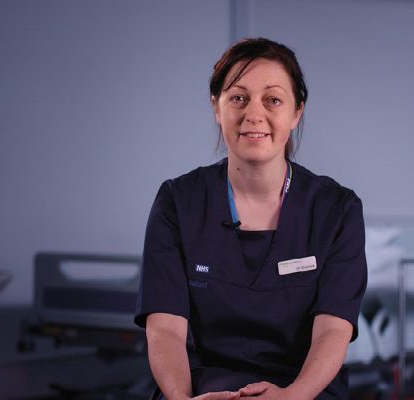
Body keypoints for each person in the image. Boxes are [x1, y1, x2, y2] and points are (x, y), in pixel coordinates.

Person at [135, 38, 367, 400]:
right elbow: (164, 329)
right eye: (238, 98)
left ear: (296, 112)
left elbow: (332, 330)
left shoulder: (336, 210)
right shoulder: (178, 203)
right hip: (201, 390)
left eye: (272, 99)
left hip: (303, 391)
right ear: (216, 107)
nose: (253, 114)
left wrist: (292, 397)